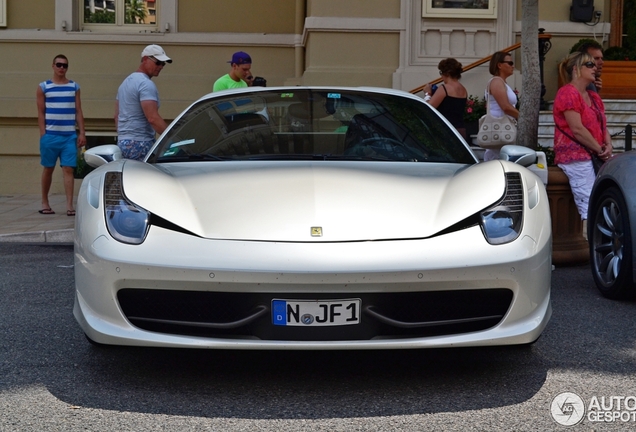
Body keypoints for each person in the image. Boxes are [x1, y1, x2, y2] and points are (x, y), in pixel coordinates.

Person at [553, 51, 612, 226]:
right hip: (576, 156)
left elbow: (602, 125)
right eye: (590, 65)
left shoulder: (593, 96)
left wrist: (607, 144)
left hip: (595, 154)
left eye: (595, 65)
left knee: (602, 199)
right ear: (575, 69)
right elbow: (577, 129)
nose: (595, 68)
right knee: (590, 202)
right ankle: (591, 244)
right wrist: (600, 149)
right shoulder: (567, 93)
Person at [36, 54, 86, 216]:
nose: (61, 68)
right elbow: (41, 112)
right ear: (53, 66)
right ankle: (45, 202)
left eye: (65, 65)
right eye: (59, 65)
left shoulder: (74, 87)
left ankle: (69, 205)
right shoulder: (44, 87)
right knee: (48, 168)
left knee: (68, 169)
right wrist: (43, 134)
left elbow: (78, 111)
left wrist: (82, 133)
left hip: (69, 136)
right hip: (50, 136)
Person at [115, 44, 172, 161]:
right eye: (158, 62)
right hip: (141, 143)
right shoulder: (145, 84)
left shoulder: (125, 83)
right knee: (147, 178)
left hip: (123, 143)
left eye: (163, 64)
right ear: (145, 59)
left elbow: (116, 116)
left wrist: (125, 137)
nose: (161, 66)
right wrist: (172, 138)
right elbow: (152, 118)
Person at [482, 51, 519, 161]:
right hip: (499, 128)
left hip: (502, 128)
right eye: (510, 63)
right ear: (499, 65)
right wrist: (523, 117)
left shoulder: (502, 82)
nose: (513, 66)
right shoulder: (496, 82)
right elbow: (505, 107)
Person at [422, 58, 468, 139]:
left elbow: (429, 107)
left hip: (446, 130)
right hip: (460, 130)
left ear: (447, 73)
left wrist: (427, 93)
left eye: (441, 73)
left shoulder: (444, 88)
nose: (441, 76)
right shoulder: (463, 89)